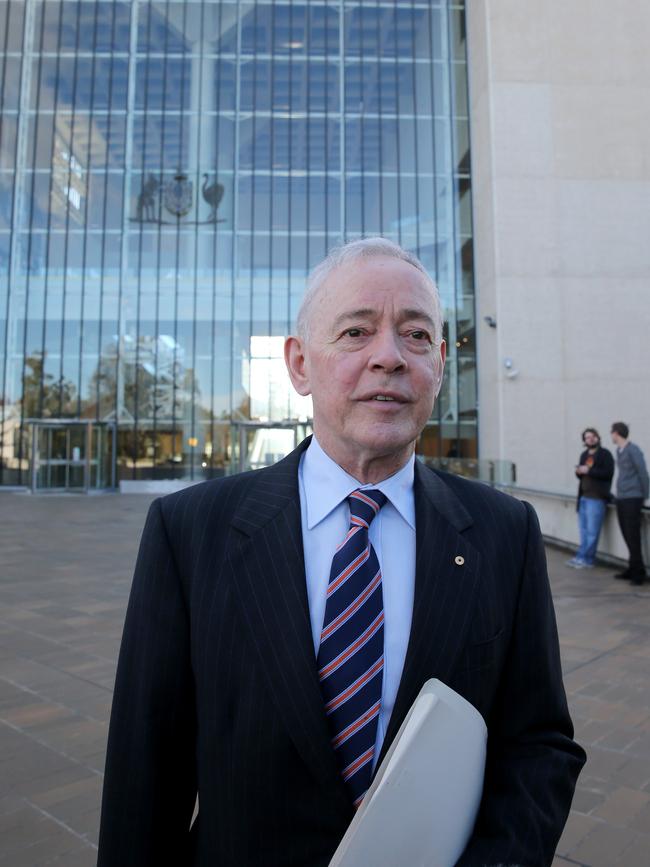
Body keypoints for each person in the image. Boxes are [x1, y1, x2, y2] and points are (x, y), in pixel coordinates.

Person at [98, 238, 585, 867]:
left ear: (439, 363)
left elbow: (539, 742)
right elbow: (145, 770)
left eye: (414, 336)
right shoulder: (189, 531)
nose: (389, 357)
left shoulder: (503, 532)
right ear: (299, 365)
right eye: (356, 332)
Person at [566, 428, 614, 569]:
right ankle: (581, 557)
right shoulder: (584, 455)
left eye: (593, 436)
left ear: (598, 438)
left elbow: (608, 473)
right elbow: (582, 477)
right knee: (584, 531)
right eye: (587, 437)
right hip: (583, 498)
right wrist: (579, 472)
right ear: (584, 441)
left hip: (597, 498)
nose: (591, 439)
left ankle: (588, 560)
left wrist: (589, 471)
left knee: (592, 532)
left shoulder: (605, 454)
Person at [610, 422, 649, 585]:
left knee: (633, 536)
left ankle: (639, 573)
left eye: (612, 432)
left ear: (617, 433)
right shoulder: (619, 451)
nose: (611, 435)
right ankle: (632, 568)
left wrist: (645, 496)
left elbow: (643, 472)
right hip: (622, 498)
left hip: (633, 498)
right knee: (626, 533)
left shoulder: (633, 450)